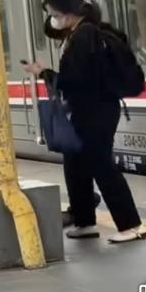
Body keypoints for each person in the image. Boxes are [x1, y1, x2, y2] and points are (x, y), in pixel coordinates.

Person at [23, 0, 146, 242]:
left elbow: (76, 80)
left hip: (95, 111)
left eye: (53, 13)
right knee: (76, 163)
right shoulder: (80, 33)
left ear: (66, 13)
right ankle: (84, 220)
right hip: (90, 109)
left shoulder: (84, 36)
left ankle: (132, 225)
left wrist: (45, 74)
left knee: (101, 165)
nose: (52, 19)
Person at [41, 15, 102, 227]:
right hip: (87, 112)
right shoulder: (84, 36)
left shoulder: (78, 39)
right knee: (82, 164)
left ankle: (82, 212)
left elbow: (76, 80)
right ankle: (83, 209)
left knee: (79, 165)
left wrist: (50, 76)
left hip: (84, 113)